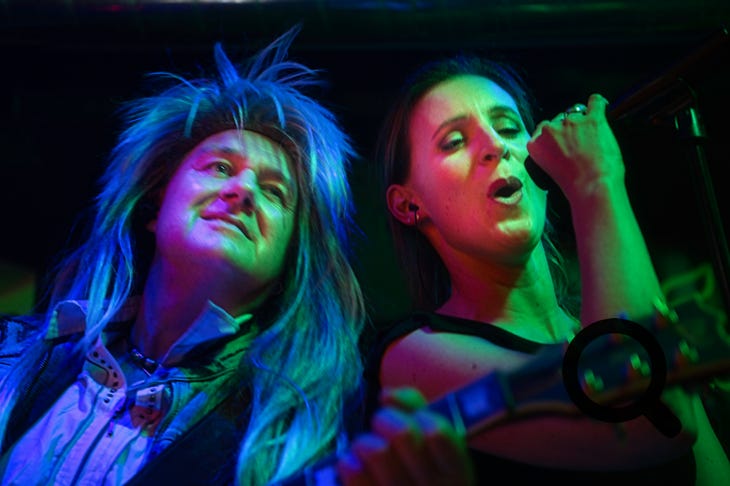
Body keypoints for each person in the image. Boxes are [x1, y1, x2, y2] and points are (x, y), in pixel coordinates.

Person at [0, 28, 473, 486]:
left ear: (290, 262)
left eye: (274, 192)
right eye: (220, 167)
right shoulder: (17, 355)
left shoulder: (306, 437)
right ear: (154, 207)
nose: (243, 190)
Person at [365, 54, 730, 484]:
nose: (495, 146)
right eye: (454, 141)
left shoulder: (606, 317)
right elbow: (645, 420)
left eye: (508, 128)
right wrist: (595, 182)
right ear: (408, 204)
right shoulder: (413, 358)